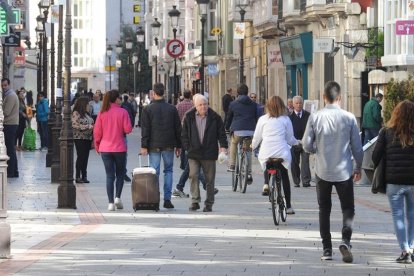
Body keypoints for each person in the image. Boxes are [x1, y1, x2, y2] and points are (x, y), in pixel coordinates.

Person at [302, 81, 363, 263]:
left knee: (324, 209)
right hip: (344, 171)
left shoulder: (315, 117)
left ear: (323, 97)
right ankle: (345, 240)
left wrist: (316, 150)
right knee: (348, 209)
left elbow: (306, 144)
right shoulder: (350, 118)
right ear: (340, 97)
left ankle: (327, 250)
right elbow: (357, 148)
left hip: (323, 170)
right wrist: (358, 167)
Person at [372, 100, 414, 264]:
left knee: (398, 216)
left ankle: (405, 251)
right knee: (412, 216)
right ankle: (411, 248)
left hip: (394, 181)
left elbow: (375, 157)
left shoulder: (386, 132)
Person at [252, 96, 298, 215]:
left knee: (266, 160)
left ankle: (266, 183)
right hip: (281, 152)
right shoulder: (286, 119)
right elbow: (289, 138)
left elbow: (257, 137)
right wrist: (297, 142)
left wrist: (253, 145)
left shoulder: (262, 119)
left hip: (266, 151)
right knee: (284, 175)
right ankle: (288, 206)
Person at [182, 94, 228, 212]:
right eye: (200, 105)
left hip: (209, 152)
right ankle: (195, 201)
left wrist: (223, 148)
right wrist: (188, 147)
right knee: (193, 175)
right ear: (195, 106)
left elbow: (221, 134)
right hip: (194, 152)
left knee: (209, 179)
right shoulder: (189, 116)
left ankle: (209, 203)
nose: (203, 107)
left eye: (205, 104)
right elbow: (184, 135)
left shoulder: (215, 117)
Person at [140, 83, 182, 209]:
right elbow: (178, 129)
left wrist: (144, 146)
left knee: (155, 173)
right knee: (168, 171)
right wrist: (179, 146)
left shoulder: (147, 109)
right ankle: (167, 199)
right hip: (169, 144)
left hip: (153, 145)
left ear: (153, 93)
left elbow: (145, 130)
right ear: (164, 92)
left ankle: (155, 199)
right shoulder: (172, 108)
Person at [94, 90, 132, 211]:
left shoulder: (102, 113)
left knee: (109, 176)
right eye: (119, 98)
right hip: (119, 147)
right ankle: (117, 197)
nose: (121, 100)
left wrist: (97, 145)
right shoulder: (123, 112)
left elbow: (97, 132)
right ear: (116, 99)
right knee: (120, 174)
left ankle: (110, 203)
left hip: (105, 148)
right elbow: (128, 129)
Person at [173, 90, 216, 198]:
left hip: (189, 141)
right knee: (193, 167)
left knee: (190, 167)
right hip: (193, 143)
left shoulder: (179, 106)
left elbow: (178, 122)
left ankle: (179, 187)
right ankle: (205, 185)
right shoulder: (194, 110)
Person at [226, 84, 258, 184]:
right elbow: (256, 117)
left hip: (237, 130)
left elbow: (229, 118)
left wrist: (226, 128)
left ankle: (232, 164)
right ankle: (248, 172)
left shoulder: (233, 104)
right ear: (247, 93)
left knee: (234, 143)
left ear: (238, 93)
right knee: (248, 150)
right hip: (250, 130)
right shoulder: (253, 104)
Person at [289, 96, 311, 188]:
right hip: (294, 143)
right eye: (296, 103)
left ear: (303, 104)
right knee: (294, 162)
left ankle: (306, 181)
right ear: (293, 105)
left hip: (305, 142)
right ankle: (296, 181)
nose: (298, 105)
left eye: (300, 103)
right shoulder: (289, 117)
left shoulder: (308, 115)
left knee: (305, 161)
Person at [72, 96, 94, 184]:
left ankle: (84, 176)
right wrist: (87, 127)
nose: (89, 105)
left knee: (86, 157)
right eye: (87, 103)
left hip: (88, 138)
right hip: (79, 138)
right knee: (80, 157)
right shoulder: (76, 113)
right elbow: (74, 125)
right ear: (83, 104)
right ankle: (77, 176)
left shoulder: (87, 113)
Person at [2, 78, 19, 177]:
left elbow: (6, 112)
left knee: (10, 149)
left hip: (10, 125)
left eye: (5, 85)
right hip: (11, 124)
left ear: (9, 85)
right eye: (2, 85)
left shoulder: (10, 96)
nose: (4, 87)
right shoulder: (9, 95)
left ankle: (11, 172)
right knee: (11, 148)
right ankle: (14, 171)